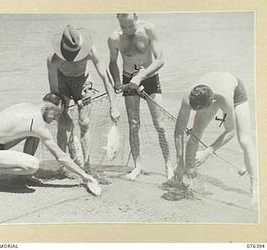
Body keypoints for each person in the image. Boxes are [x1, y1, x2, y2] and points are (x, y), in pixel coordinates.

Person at [0, 93, 101, 196]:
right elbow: (61, 156)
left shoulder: (28, 106)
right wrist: (84, 175)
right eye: (55, 114)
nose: (56, 119)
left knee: (33, 136)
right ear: (47, 108)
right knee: (33, 165)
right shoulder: (38, 125)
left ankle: (20, 174)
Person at [47, 25, 120, 182]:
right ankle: (63, 166)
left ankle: (87, 166)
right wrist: (62, 112)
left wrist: (114, 106)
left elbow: (105, 78)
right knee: (63, 125)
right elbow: (54, 91)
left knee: (84, 123)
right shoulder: (54, 60)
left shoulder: (90, 50)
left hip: (83, 82)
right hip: (62, 83)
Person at [108, 13, 174, 180]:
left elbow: (160, 60)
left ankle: (168, 166)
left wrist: (141, 76)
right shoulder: (114, 38)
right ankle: (137, 166)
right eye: (124, 27)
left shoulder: (148, 29)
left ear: (136, 17)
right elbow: (113, 62)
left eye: (131, 26)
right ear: (118, 20)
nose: (128, 30)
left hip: (149, 78)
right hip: (128, 79)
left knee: (159, 125)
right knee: (134, 124)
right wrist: (117, 81)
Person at [174, 72, 257, 203]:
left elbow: (230, 131)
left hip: (235, 91)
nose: (199, 113)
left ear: (212, 102)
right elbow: (178, 132)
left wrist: (207, 152)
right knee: (195, 133)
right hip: (210, 91)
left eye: (201, 110)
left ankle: (255, 187)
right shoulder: (188, 99)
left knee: (245, 140)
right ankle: (188, 175)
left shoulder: (224, 98)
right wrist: (180, 161)